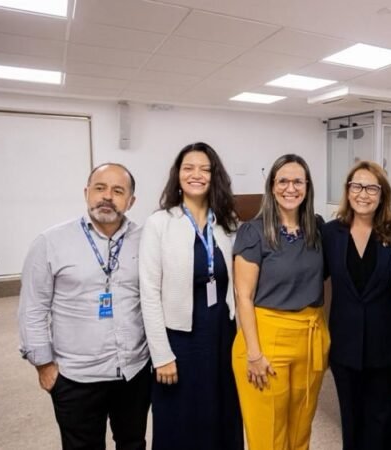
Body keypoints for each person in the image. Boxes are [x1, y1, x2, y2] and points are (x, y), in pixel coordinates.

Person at [18, 163, 150, 450]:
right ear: (86, 192)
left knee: (133, 443)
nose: (107, 197)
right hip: (76, 375)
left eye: (118, 191)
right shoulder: (50, 242)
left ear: (131, 201)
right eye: (100, 188)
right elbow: (33, 308)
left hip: (133, 371)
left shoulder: (146, 239)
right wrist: (44, 365)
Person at [139, 142, 243, 450]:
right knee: (180, 422)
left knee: (222, 414)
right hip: (180, 341)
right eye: (188, 168)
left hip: (222, 336)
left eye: (204, 169)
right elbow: (149, 294)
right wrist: (161, 355)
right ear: (178, 175)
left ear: (215, 176)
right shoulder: (160, 223)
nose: (196, 175)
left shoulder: (227, 223)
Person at [232, 154, 330, 450]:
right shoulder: (254, 231)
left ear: (307, 186)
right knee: (268, 434)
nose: (291, 188)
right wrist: (253, 353)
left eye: (298, 181)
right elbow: (243, 297)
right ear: (272, 187)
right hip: (265, 338)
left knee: (301, 428)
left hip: (311, 336)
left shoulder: (317, 228)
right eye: (283, 181)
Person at [322, 161, 391, 450]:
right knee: (351, 419)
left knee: (382, 421)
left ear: (382, 194)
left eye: (372, 187)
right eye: (356, 186)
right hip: (344, 346)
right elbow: (311, 276)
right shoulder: (331, 233)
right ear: (347, 191)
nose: (363, 194)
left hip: (386, 345)